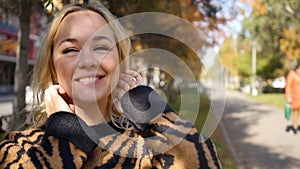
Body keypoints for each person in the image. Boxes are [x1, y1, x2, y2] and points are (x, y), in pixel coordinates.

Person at [0, 1, 221, 168]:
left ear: (120, 61)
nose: (87, 61)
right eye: (70, 50)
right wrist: (65, 133)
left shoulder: (148, 147)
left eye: (100, 47)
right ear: (52, 68)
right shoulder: (18, 148)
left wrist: (148, 107)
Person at [285, 61, 300, 135]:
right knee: (295, 113)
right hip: (294, 97)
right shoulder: (291, 74)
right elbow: (288, 86)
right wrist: (288, 97)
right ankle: (295, 127)